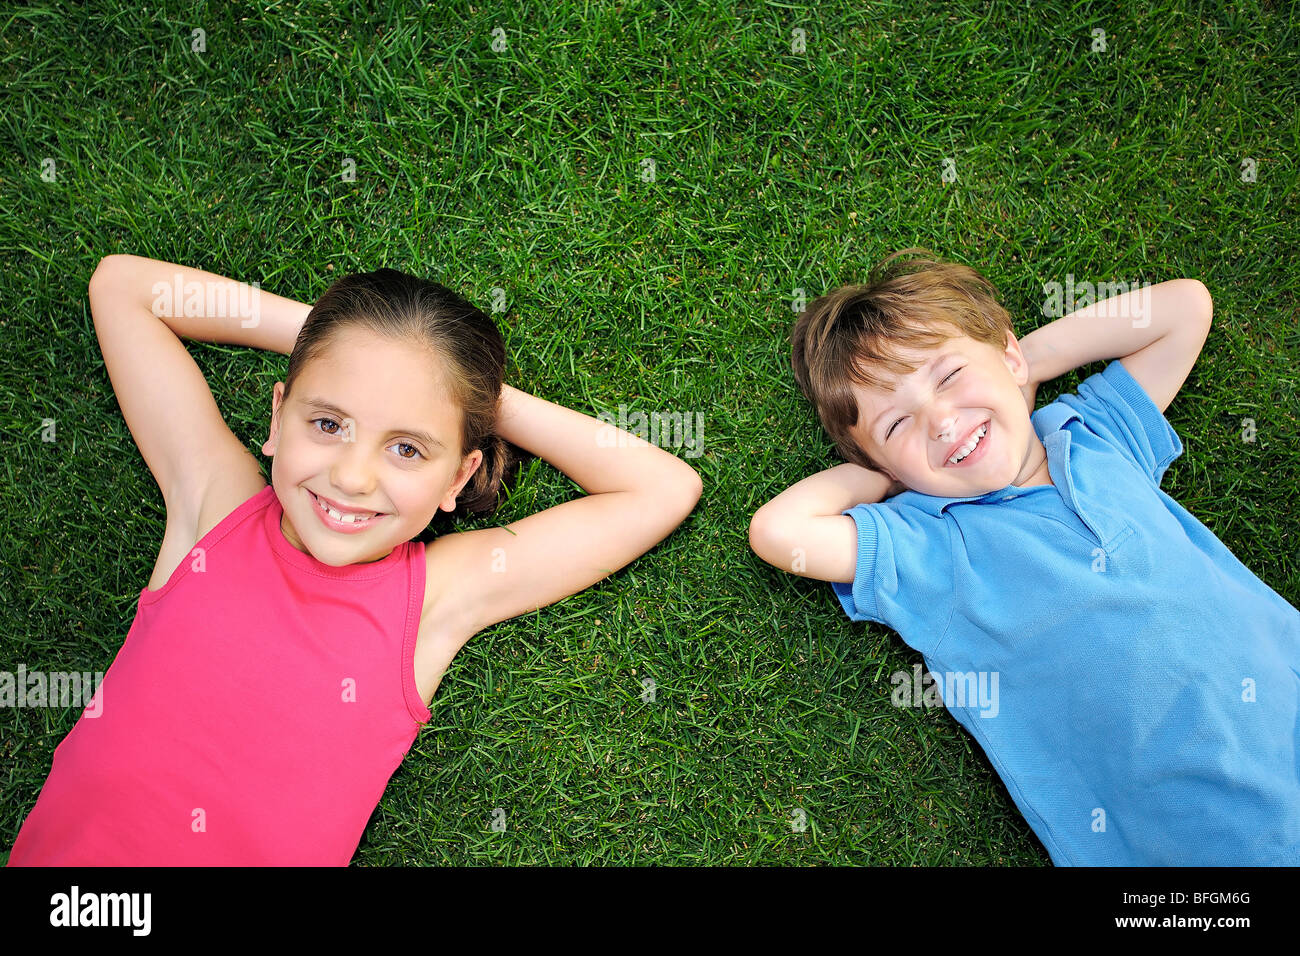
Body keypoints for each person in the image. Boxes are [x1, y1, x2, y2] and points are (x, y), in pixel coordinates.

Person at [8, 255, 702, 865]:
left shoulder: (433, 599)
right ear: (278, 418)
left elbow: (663, 487)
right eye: (328, 422)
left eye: (407, 448)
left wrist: (476, 399)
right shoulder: (215, 508)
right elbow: (123, 288)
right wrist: (336, 342)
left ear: (458, 480)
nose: (352, 477)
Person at [749, 248, 1300, 864]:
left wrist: (1027, 363)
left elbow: (1183, 308)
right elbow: (777, 531)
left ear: (1008, 355)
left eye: (950, 375)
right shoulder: (930, 545)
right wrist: (888, 480)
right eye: (897, 425)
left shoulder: (1093, 432)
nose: (941, 420)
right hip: (1197, 844)